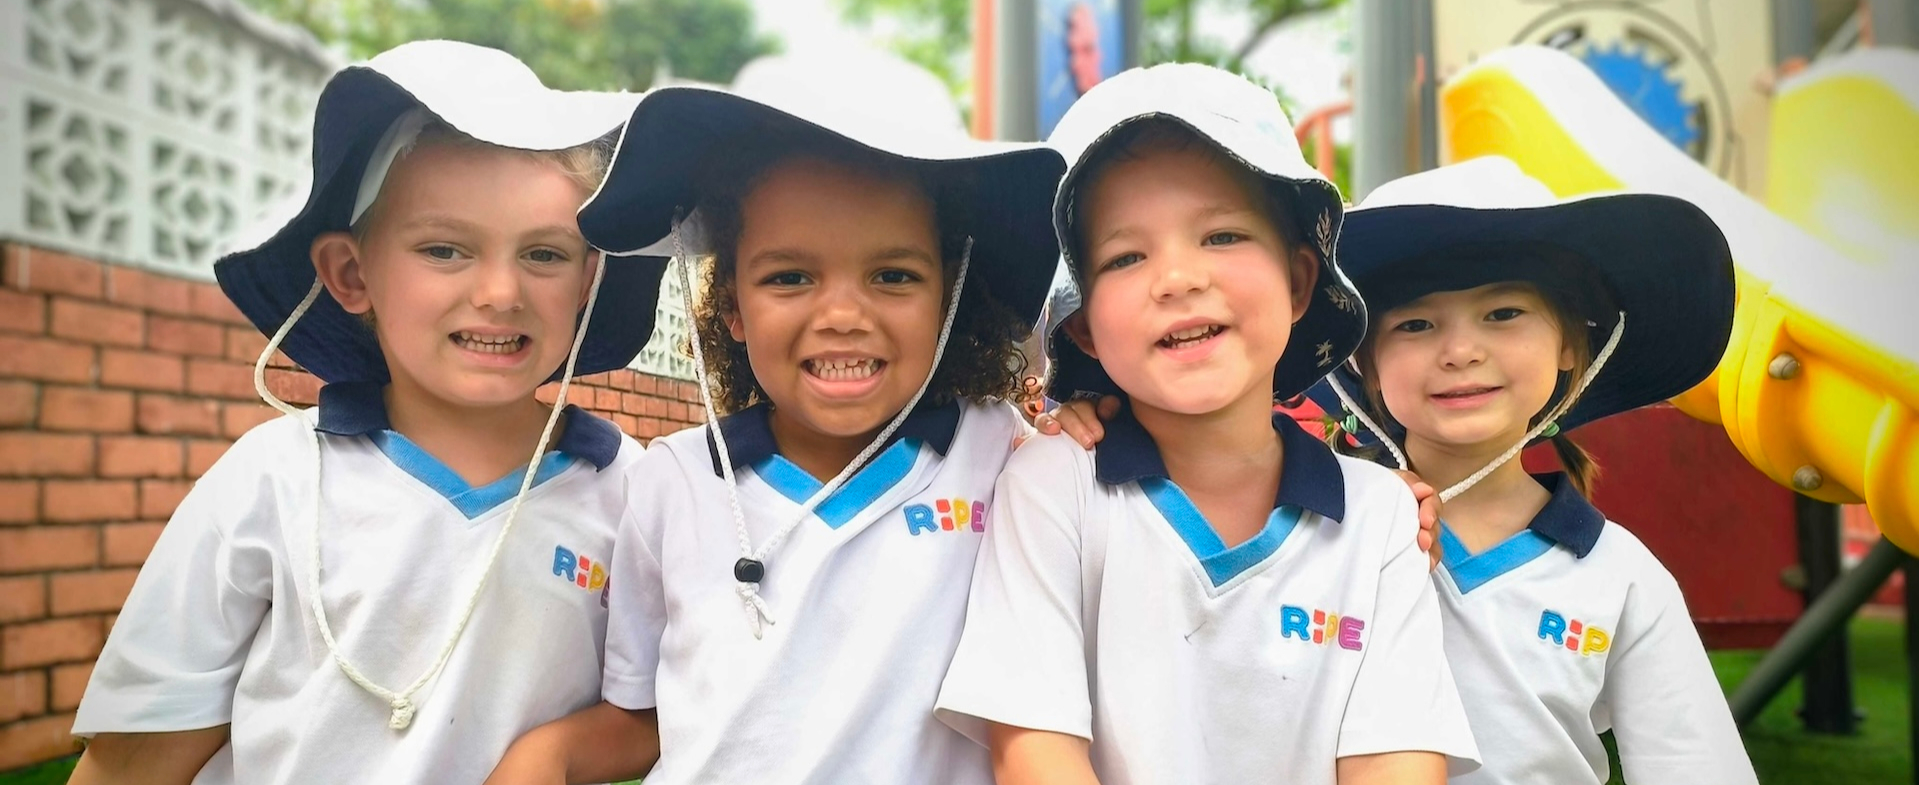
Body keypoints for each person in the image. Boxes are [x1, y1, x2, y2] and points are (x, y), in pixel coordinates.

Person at [68, 40, 666, 785]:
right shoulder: (275, 479)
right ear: (351, 274)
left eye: (544, 255)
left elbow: (658, 704)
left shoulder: (632, 491)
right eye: (444, 249)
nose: (500, 293)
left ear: (588, 281)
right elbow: (137, 755)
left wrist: (553, 754)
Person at [484, 82, 1070, 783]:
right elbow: (644, 715)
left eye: (892, 274)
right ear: (732, 305)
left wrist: (1092, 422)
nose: (843, 315)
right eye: (790, 277)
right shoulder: (672, 480)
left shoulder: (1002, 456)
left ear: (946, 295)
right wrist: (548, 753)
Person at [935, 63, 1478, 785]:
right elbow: (1033, 748)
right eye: (1126, 256)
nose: (1179, 278)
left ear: (1298, 281)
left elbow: (1397, 758)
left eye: (1221, 236)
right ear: (1084, 326)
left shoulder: (1381, 517)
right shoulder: (1052, 484)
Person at [1309, 156, 1756, 785]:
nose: (1461, 351)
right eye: (1416, 323)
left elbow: (1694, 767)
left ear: (1571, 344)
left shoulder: (1620, 576)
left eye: (1503, 313)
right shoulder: (1308, 535)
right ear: (1365, 363)